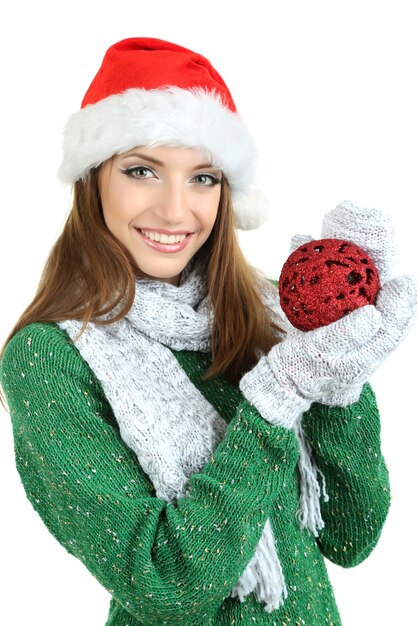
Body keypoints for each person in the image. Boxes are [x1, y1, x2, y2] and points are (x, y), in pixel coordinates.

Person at [0, 37, 416, 626]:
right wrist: (274, 401)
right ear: (93, 180)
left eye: (203, 178)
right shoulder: (49, 357)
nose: (176, 211)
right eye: (142, 170)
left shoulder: (264, 313)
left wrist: (341, 387)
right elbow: (166, 585)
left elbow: (351, 536)